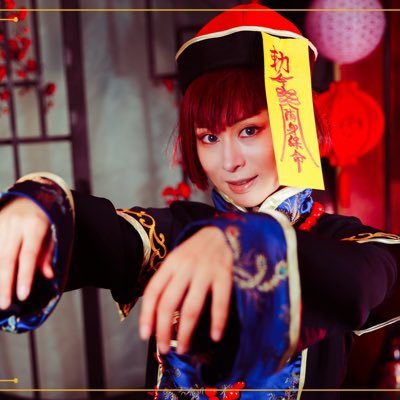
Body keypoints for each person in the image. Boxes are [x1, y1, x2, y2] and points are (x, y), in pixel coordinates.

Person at [0, 3, 399, 400]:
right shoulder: (183, 232)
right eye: (209, 137)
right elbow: (105, 237)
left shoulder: (346, 244)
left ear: (295, 126)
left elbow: (367, 280)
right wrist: (40, 209)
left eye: (249, 130)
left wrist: (243, 242)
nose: (229, 161)